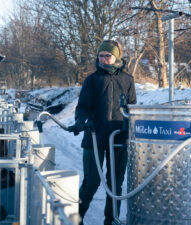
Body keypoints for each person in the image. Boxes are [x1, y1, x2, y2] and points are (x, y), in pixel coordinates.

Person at [68, 40, 137, 225]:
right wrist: (82, 121)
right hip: (94, 136)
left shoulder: (127, 80)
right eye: (101, 56)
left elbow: (132, 108)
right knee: (91, 182)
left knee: (115, 184)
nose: (104, 59)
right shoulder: (92, 80)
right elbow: (82, 107)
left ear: (116, 57)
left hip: (119, 138)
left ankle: (111, 220)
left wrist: (131, 126)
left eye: (107, 56)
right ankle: (76, 218)